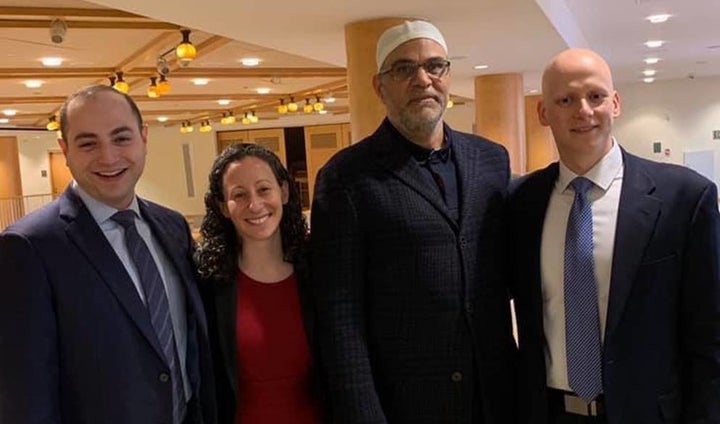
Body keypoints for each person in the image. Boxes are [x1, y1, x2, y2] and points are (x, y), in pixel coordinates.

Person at [310, 20, 517, 424]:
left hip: (495, 395)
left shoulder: (491, 160)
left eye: (434, 66)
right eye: (403, 69)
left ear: (447, 76)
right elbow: (339, 315)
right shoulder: (346, 177)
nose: (422, 79)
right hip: (406, 404)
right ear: (379, 86)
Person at [509, 48, 720, 423]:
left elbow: (710, 333)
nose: (583, 111)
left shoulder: (684, 198)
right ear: (543, 113)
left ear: (616, 103)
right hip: (549, 411)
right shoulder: (521, 203)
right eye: (565, 100)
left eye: (595, 96)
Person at [0, 85, 216, 424]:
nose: (109, 157)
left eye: (121, 138)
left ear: (144, 138)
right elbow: (25, 393)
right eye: (88, 143)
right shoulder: (29, 247)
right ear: (65, 150)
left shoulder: (172, 227)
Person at [195, 143, 321, 424]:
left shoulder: (318, 273)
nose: (254, 205)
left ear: (284, 192)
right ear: (222, 207)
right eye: (239, 195)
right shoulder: (208, 285)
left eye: (264, 189)